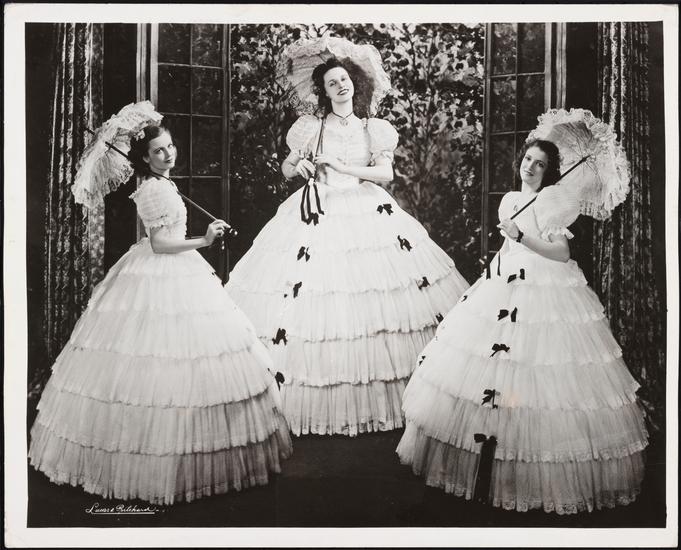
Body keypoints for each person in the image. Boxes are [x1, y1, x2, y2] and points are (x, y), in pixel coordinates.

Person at [29, 125, 292, 505]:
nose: (168, 154)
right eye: (158, 151)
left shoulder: (164, 184)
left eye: (169, 146)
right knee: (156, 359)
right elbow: (160, 244)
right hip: (160, 270)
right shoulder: (152, 190)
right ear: (145, 158)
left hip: (182, 269)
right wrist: (205, 240)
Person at [396, 139, 649, 514]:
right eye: (528, 159)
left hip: (544, 287)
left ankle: (529, 475)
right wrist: (491, 272)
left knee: (536, 368)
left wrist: (522, 236)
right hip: (504, 282)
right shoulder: (510, 200)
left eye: (540, 163)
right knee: (486, 365)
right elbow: (506, 249)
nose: (530, 166)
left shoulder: (552, 201)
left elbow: (561, 253)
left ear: (549, 171)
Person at [226, 58, 470, 437]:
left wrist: (342, 167)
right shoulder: (311, 127)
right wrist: (300, 168)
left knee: (372, 296)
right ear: (323, 91)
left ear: (353, 84)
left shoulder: (373, 128)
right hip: (317, 210)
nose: (341, 85)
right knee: (317, 298)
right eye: (332, 82)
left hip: (363, 206)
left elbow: (385, 173)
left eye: (344, 79)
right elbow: (288, 168)